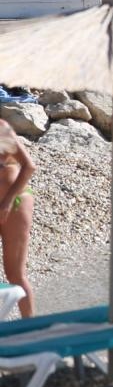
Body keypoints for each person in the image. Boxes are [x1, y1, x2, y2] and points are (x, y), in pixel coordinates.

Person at [0, 121, 35, 317]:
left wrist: (6, 202)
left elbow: (29, 166)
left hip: (15, 202)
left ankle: (31, 329)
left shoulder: (1, 129)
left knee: (15, 273)